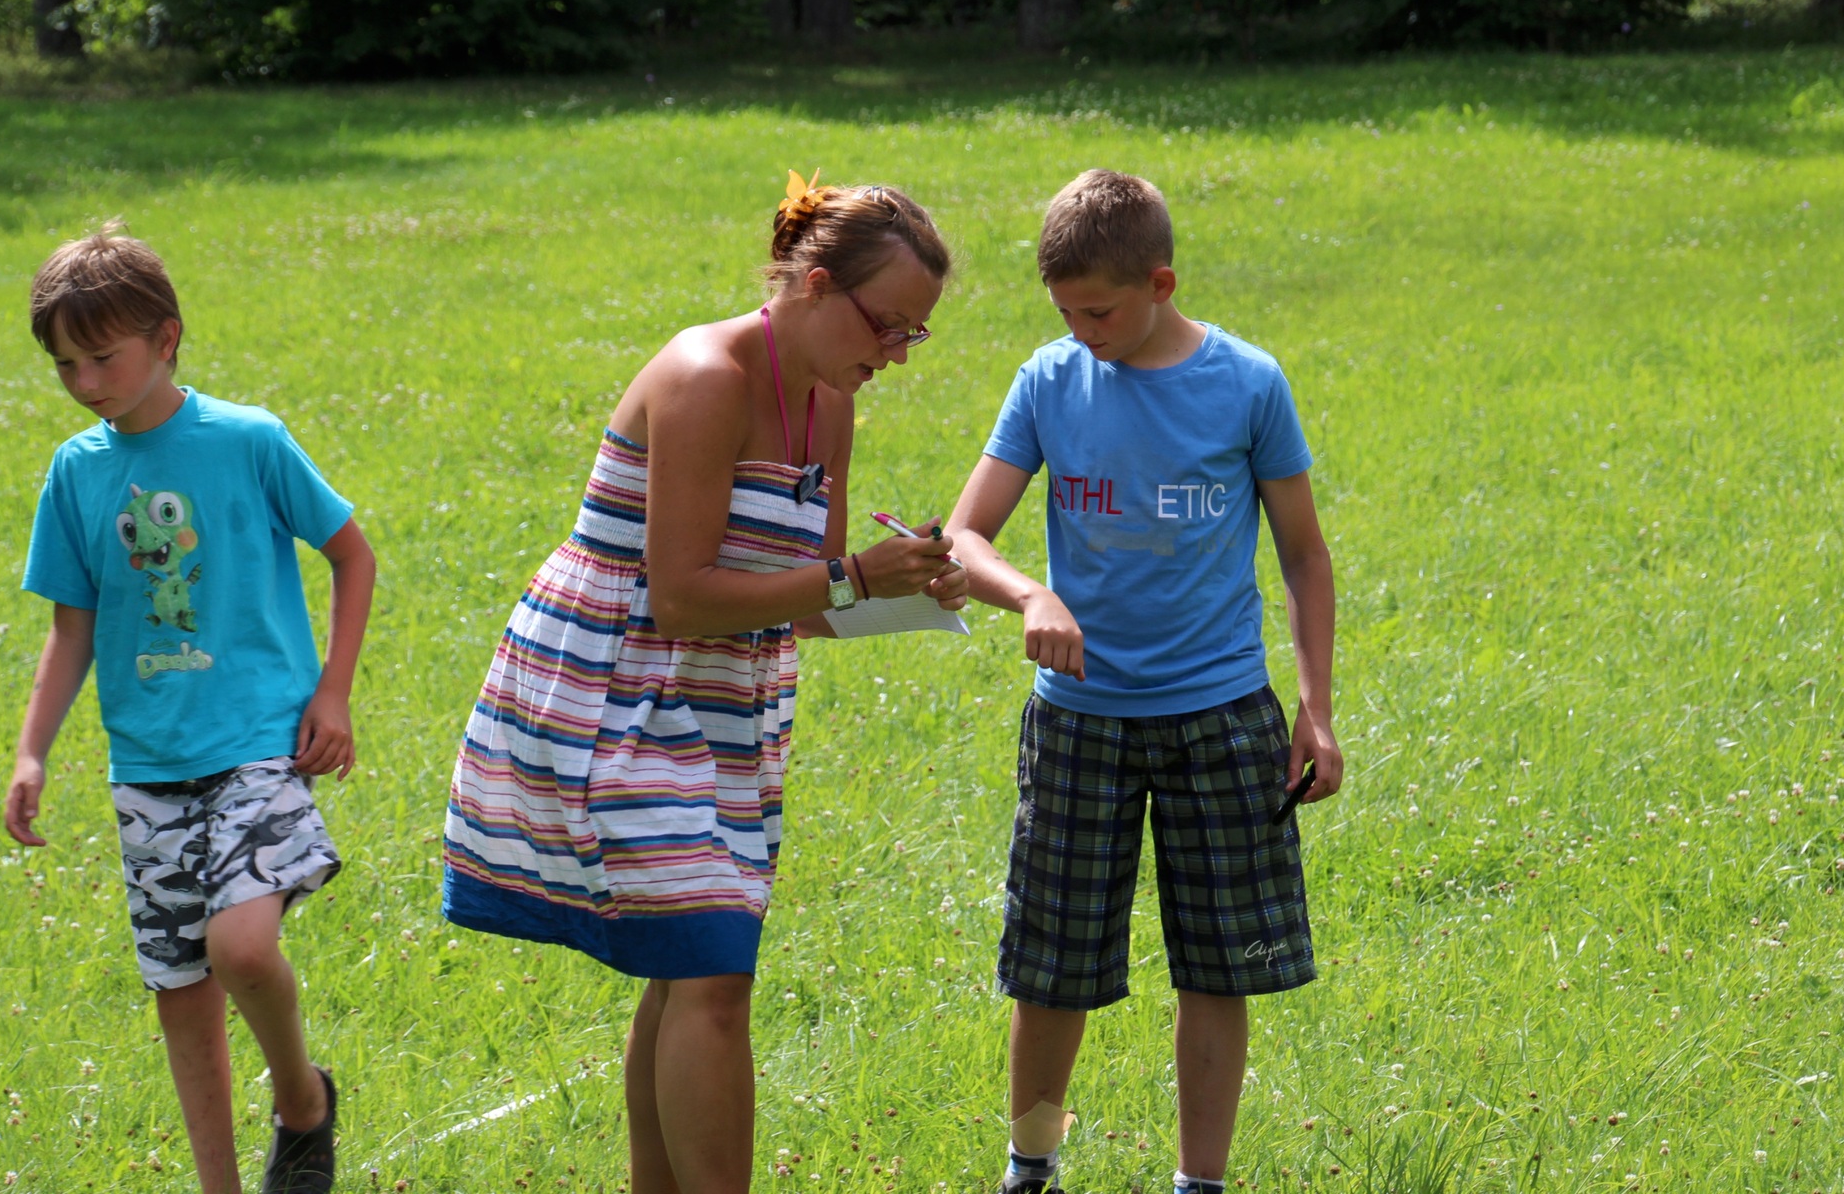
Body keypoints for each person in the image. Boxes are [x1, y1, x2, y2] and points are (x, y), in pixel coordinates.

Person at [442, 172, 967, 1193]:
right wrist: (855, 577)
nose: (898, 355)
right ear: (815, 285)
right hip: (613, 692)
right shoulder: (704, 375)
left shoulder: (829, 406)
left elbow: (802, 599)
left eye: (915, 333)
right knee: (714, 974)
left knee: (692, 959)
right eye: (888, 326)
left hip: (723, 705)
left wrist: (908, 589)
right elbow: (681, 595)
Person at [946, 169, 1342, 1194]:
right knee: (1053, 968)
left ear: (1160, 283)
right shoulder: (1048, 382)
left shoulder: (1249, 383)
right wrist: (1031, 594)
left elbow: (1304, 555)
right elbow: (963, 535)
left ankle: (1199, 1181)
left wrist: (1315, 710)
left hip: (1224, 719)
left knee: (1219, 965)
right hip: (1079, 724)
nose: (1082, 333)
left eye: (1100, 312)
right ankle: (1031, 1167)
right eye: (1065, 314)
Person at [1, 225, 377, 1194]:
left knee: (240, 945)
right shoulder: (75, 471)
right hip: (146, 762)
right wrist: (33, 750)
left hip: (257, 742)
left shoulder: (248, 440)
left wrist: (333, 690)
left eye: (103, 356)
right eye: (66, 364)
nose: (85, 381)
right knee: (181, 989)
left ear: (166, 339)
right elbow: (72, 630)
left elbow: (351, 553)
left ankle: (302, 1100)